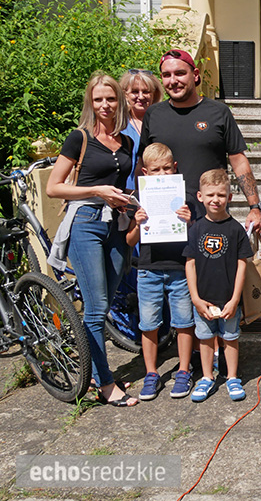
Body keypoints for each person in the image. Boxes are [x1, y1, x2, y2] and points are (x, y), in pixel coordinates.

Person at [46, 72, 138, 407]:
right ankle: (105, 383)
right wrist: (96, 190)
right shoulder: (79, 137)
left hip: (116, 223)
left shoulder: (125, 142)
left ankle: (96, 374)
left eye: (110, 99)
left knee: (106, 303)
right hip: (85, 223)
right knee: (97, 308)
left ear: (119, 102)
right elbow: (54, 187)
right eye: (98, 99)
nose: (105, 105)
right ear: (91, 101)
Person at [137, 49, 261, 232]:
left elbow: (238, 160)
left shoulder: (219, 112)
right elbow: (143, 163)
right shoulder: (153, 114)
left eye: (180, 73)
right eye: (167, 75)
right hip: (166, 221)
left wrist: (254, 207)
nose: (173, 81)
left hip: (211, 217)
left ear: (195, 75)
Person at [125, 143, 195, 400]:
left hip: (179, 268)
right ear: (145, 172)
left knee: (184, 322)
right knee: (149, 324)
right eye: (156, 170)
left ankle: (184, 370)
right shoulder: (138, 200)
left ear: (175, 168)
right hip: (148, 270)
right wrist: (137, 222)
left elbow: (195, 235)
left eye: (167, 168)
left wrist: (190, 221)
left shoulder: (184, 197)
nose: (163, 174)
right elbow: (130, 241)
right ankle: (151, 373)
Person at [184, 169, 253, 402]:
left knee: (231, 337)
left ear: (230, 197)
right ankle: (207, 377)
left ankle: (232, 377)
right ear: (200, 196)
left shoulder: (236, 230)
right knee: (204, 338)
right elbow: (190, 264)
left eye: (221, 195)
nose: (216, 200)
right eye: (210, 194)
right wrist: (195, 298)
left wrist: (235, 299)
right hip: (203, 299)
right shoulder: (195, 229)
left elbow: (242, 266)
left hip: (228, 298)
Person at [119, 68, 164, 190]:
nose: (140, 96)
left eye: (146, 91)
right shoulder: (118, 125)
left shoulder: (162, 122)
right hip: (125, 194)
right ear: (125, 94)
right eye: (135, 91)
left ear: (154, 94)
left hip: (159, 191)